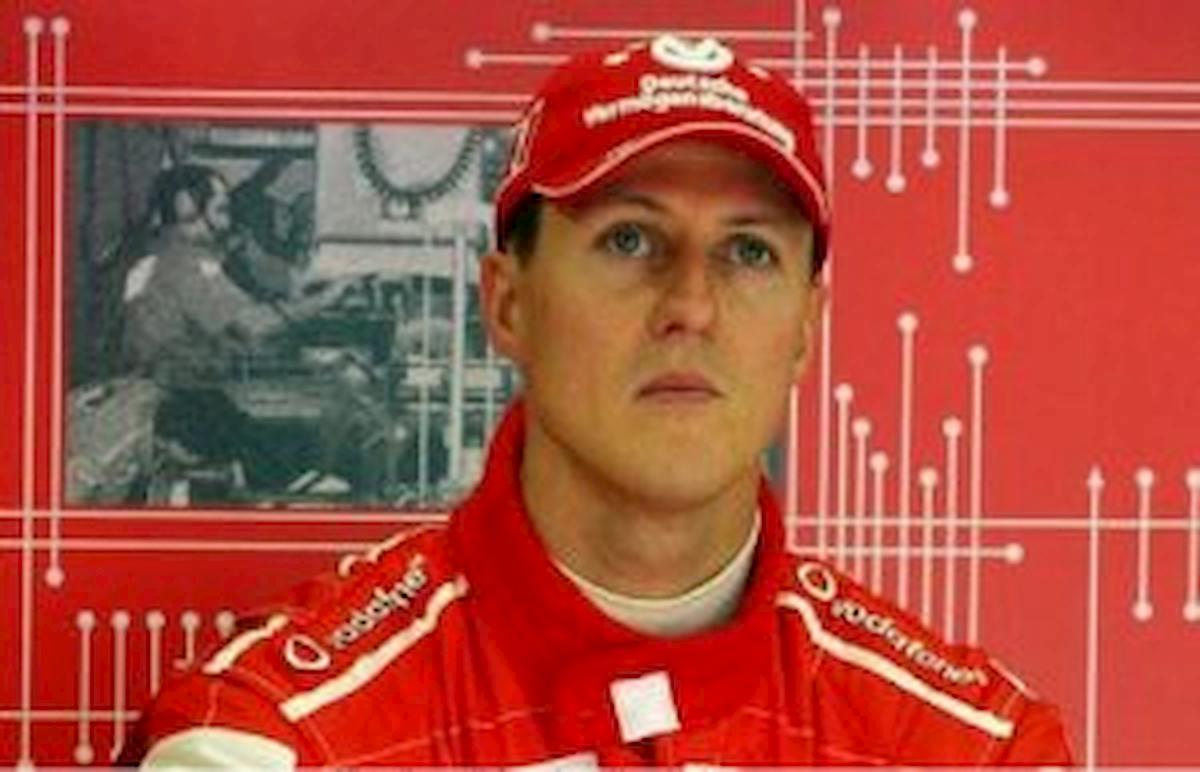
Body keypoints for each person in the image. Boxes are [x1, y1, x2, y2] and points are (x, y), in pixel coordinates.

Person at [121, 35, 1072, 766]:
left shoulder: (974, 749)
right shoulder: (274, 740)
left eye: (749, 251)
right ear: (508, 303)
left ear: (806, 328)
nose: (692, 304)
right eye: (628, 239)